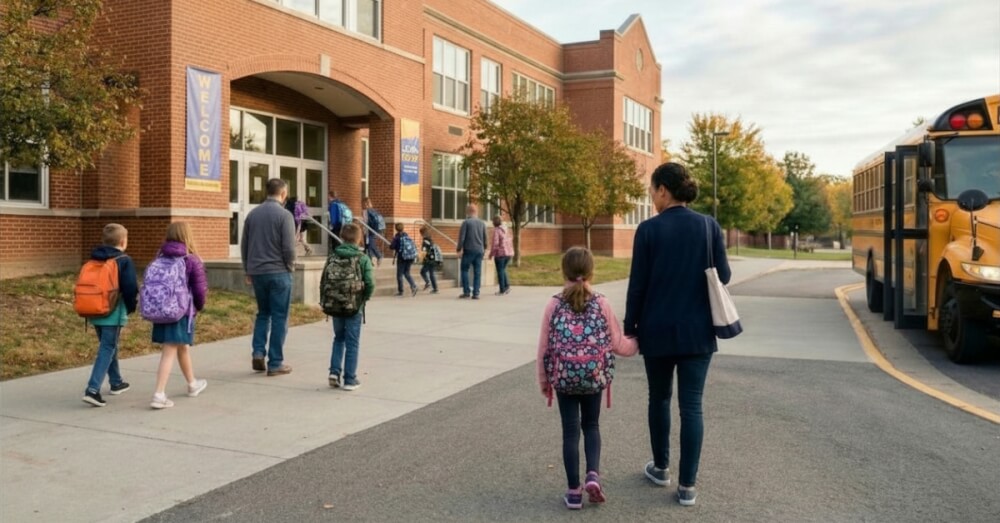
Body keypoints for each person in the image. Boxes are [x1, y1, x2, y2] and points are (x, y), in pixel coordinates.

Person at [624, 162, 731, 507]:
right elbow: (724, 277)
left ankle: (661, 467)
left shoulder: (648, 230)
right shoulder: (708, 226)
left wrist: (630, 327)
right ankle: (687, 486)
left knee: (659, 399)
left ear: (663, 191)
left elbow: (637, 286)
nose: (651, 197)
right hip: (698, 332)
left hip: (656, 330)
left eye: (652, 190)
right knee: (692, 406)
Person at [537, 246, 638, 510]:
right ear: (592, 271)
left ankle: (573, 492)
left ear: (564, 271)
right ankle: (593, 474)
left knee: (570, 431)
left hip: (564, 378)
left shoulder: (553, 304)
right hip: (594, 377)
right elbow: (618, 344)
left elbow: (544, 349)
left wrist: (544, 382)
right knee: (591, 426)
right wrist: (639, 342)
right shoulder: (601, 302)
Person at [148, 222, 209, 409]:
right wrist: (199, 306)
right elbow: (200, 290)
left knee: (181, 346)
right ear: (188, 236)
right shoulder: (190, 259)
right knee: (170, 350)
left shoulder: (160, 257)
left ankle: (192, 384)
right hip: (180, 311)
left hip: (161, 309)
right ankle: (159, 394)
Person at [242, 178, 296, 376]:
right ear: (282, 193)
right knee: (280, 317)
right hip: (279, 272)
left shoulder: (252, 215)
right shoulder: (285, 215)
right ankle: (275, 362)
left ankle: (258, 352)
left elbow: (245, 245)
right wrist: (290, 267)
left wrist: (247, 269)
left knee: (263, 313)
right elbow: (289, 248)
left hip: (258, 273)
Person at [81, 224, 139, 407]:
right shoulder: (123, 260)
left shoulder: (94, 259)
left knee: (109, 345)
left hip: (93, 309)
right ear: (123, 241)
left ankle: (116, 382)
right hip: (113, 311)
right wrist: (132, 307)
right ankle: (92, 389)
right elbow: (130, 288)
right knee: (107, 347)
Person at [326, 223, 375, 391]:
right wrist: (364, 298)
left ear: (341, 237)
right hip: (354, 306)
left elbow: (324, 280)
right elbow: (370, 283)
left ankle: (334, 372)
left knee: (338, 338)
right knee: (352, 342)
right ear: (359, 239)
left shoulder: (333, 256)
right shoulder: (363, 258)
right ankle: (349, 379)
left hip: (335, 304)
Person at [456, 204, 487, 299]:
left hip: (469, 250)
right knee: (477, 272)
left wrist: (459, 249)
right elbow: (485, 238)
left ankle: (466, 291)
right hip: (479, 250)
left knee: (464, 270)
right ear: (476, 212)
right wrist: (485, 248)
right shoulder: (482, 223)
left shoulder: (466, 222)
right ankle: (476, 293)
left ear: (468, 211)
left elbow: (462, 238)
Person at [390, 222, 418, 297]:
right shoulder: (407, 236)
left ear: (396, 229)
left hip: (402, 257)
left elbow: (392, 247)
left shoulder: (397, 237)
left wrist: (392, 242)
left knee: (399, 274)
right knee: (407, 273)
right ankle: (413, 286)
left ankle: (401, 291)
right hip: (410, 257)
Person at [489, 215, 514, 296]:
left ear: (495, 222)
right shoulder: (506, 228)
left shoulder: (497, 230)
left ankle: (502, 290)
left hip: (500, 254)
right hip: (508, 253)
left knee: (500, 271)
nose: (492, 223)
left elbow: (495, 244)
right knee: (503, 270)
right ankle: (507, 286)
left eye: (493, 221)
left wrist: (491, 254)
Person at [361, 197, 384, 266]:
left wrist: (363, 230)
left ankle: (378, 256)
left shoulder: (365, 211)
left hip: (369, 231)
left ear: (365, 204)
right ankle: (369, 261)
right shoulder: (374, 211)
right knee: (368, 246)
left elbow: (365, 222)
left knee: (370, 245)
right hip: (375, 230)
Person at [419, 225, 439, 294]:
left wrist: (421, 258)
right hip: (433, 259)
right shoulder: (430, 239)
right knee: (431, 273)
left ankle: (428, 283)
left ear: (422, 233)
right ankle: (435, 288)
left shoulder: (425, 241)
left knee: (423, 272)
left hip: (428, 260)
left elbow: (424, 251)